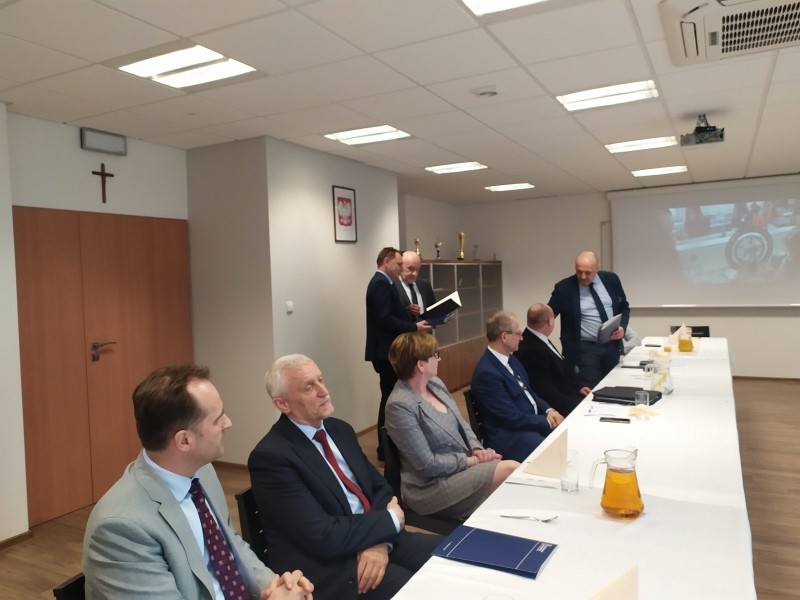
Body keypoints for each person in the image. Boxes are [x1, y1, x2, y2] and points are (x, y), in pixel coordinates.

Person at [83, 364, 314, 600]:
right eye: (218, 418)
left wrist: (277, 587)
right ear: (184, 440)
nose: (228, 423)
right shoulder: (120, 528)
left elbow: (231, 546)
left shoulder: (202, 471)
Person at [248, 355, 442, 600]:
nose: (324, 391)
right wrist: (389, 520)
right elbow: (322, 536)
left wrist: (379, 542)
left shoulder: (339, 429)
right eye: (309, 387)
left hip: (374, 540)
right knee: (425, 591)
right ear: (283, 404)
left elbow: (380, 488)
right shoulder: (272, 457)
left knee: (454, 556)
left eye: (321, 380)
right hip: (335, 566)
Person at [385, 332, 518, 519]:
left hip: (460, 470)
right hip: (431, 487)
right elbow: (427, 465)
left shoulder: (435, 384)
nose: (439, 359)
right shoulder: (399, 405)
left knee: (511, 480)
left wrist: (477, 449)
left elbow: (462, 424)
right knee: (511, 470)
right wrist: (472, 461)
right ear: (421, 365)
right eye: (435, 355)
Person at [470, 311, 564, 462]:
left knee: (567, 438)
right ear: (504, 336)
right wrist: (546, 422)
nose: (522, 338)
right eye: (518, 334)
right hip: (509, 436)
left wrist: (549, 411)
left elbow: (530, 393)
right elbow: (511, 418)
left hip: (526, 425)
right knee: (553, 452)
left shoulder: (512, 359)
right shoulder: (487, 373)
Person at [365, 247, 432, 460]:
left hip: (388, 351)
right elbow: (383, 319)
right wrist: (413, 327)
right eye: (399, 264)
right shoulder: (380, 283)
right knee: (389, 399)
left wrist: (407, 312)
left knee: (391, 398)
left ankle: (390, 448)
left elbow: (388, 313)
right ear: (386, 261)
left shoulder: (385, 283)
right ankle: (386, 450)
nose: (401, 268)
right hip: (386, 353)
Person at [548, 251, 630, 387]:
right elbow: (548, 314)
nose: (582, 276)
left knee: (612, 385)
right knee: (591, 387)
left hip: (611, 345)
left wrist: (622, 327)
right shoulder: (564, 288)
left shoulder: (611, 279)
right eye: (579, 271)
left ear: (597, 268)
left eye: (588, 272)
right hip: (584, 348)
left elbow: (624, 307)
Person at [515, 303, 591, 417]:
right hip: (562, 407)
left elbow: (562, 366)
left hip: (570, 394)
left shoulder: (537, 337)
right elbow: (545, 390)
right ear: (550, 321)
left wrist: (579, 386)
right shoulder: (532, 349)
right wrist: (576, 407)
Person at [393, 251, 436, 321]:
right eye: (411, 269)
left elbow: (432, 310)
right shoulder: (391, 286)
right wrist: (406, 311)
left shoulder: (425, 285)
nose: (415, 273)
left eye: (418, 269)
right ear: (400, 267)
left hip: (425, 327)